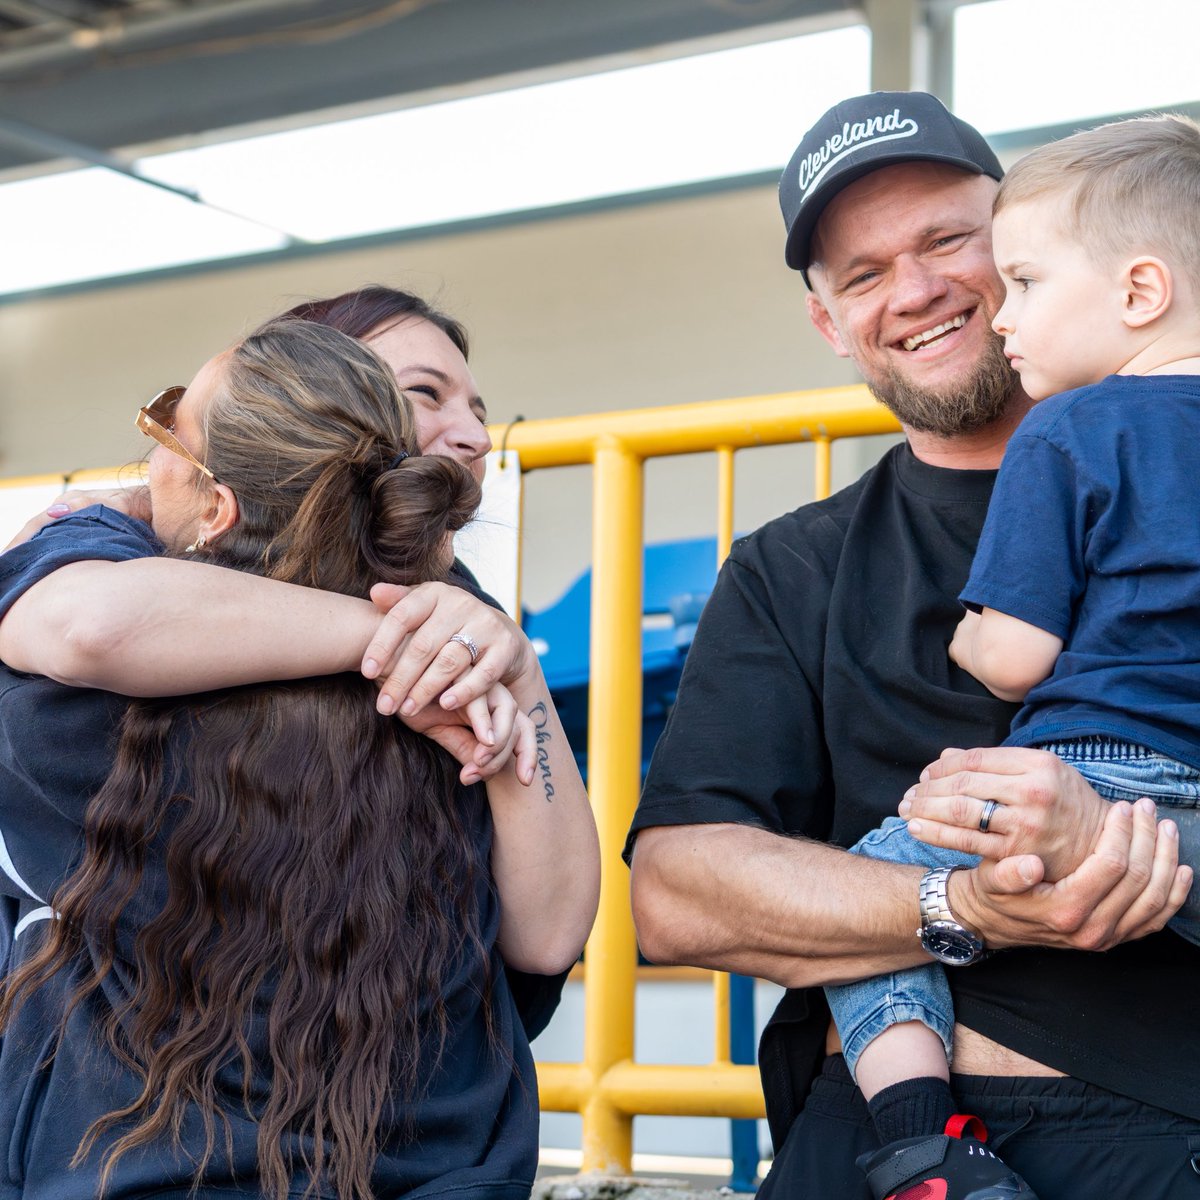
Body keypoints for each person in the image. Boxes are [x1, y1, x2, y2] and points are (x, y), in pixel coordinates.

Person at [627, 91, 1200, 1200]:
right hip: (877, 1156)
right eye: (863, 274)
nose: (916, 291)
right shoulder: (791, 567)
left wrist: (1130, 851)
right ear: (831, 324)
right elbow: (680, 892)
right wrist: (961, 909)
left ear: (1034, 241)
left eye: (948, 240)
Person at [0, 318, 600, 1199]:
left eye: (166, 430)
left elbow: (87, 624)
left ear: (217, 508)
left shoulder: (65, 713)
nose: (144, 468)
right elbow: (549, 937)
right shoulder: (449, 675)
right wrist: (476, 658)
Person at [816, 112, 1200, 1198]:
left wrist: (970, 633)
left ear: (1140, 292)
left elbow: (1019, 658)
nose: (1004, 314)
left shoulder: (1068, 429)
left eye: (1024, 281)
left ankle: (919, 1136)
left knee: (881, 887)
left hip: (1102, 763)